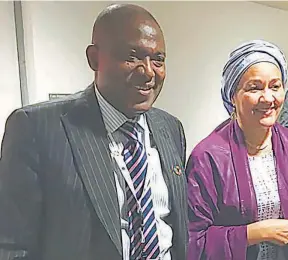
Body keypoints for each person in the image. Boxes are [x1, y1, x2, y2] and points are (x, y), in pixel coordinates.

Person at [0, 4, 188, 260]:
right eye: (132, 56)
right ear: (94, 58)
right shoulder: (37, 129)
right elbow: (12, 246)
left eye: (158, 60)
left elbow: (174, 230)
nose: (147, 72)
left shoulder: (170, 129)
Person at [186, 40, 288, 260]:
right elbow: (194, 239)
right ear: (232, 96)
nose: (268, 98)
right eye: (254, 88)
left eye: (275, 86)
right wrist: (253, 234)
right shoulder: (208, 157)